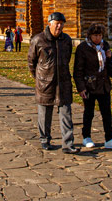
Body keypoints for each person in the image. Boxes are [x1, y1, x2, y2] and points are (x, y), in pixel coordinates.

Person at [28, 12, 79, 153]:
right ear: (49, 23)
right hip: (45, 84)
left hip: (63, 82)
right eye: (57, 23)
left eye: (62, 24)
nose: (59, 26)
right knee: (44, 115)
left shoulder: (66, 40)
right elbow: (31, 62)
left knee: (66, 115)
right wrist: (39, 78)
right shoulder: (38, 40)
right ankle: (45, 140)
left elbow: (67, 58)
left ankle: (68, 144)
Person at [74, 23, 112, 150]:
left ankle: (109, 138)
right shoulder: (82, 48)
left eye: (100, 35)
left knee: (106, 113)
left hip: (103, 84)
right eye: (95, 35)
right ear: (90, 36)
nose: (98, 38)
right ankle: (86, 137)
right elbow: (78, 70)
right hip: (89, 85)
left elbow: (108, 60)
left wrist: (111, 56)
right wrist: (81, 88)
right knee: (89, 113)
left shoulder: (104, 45)